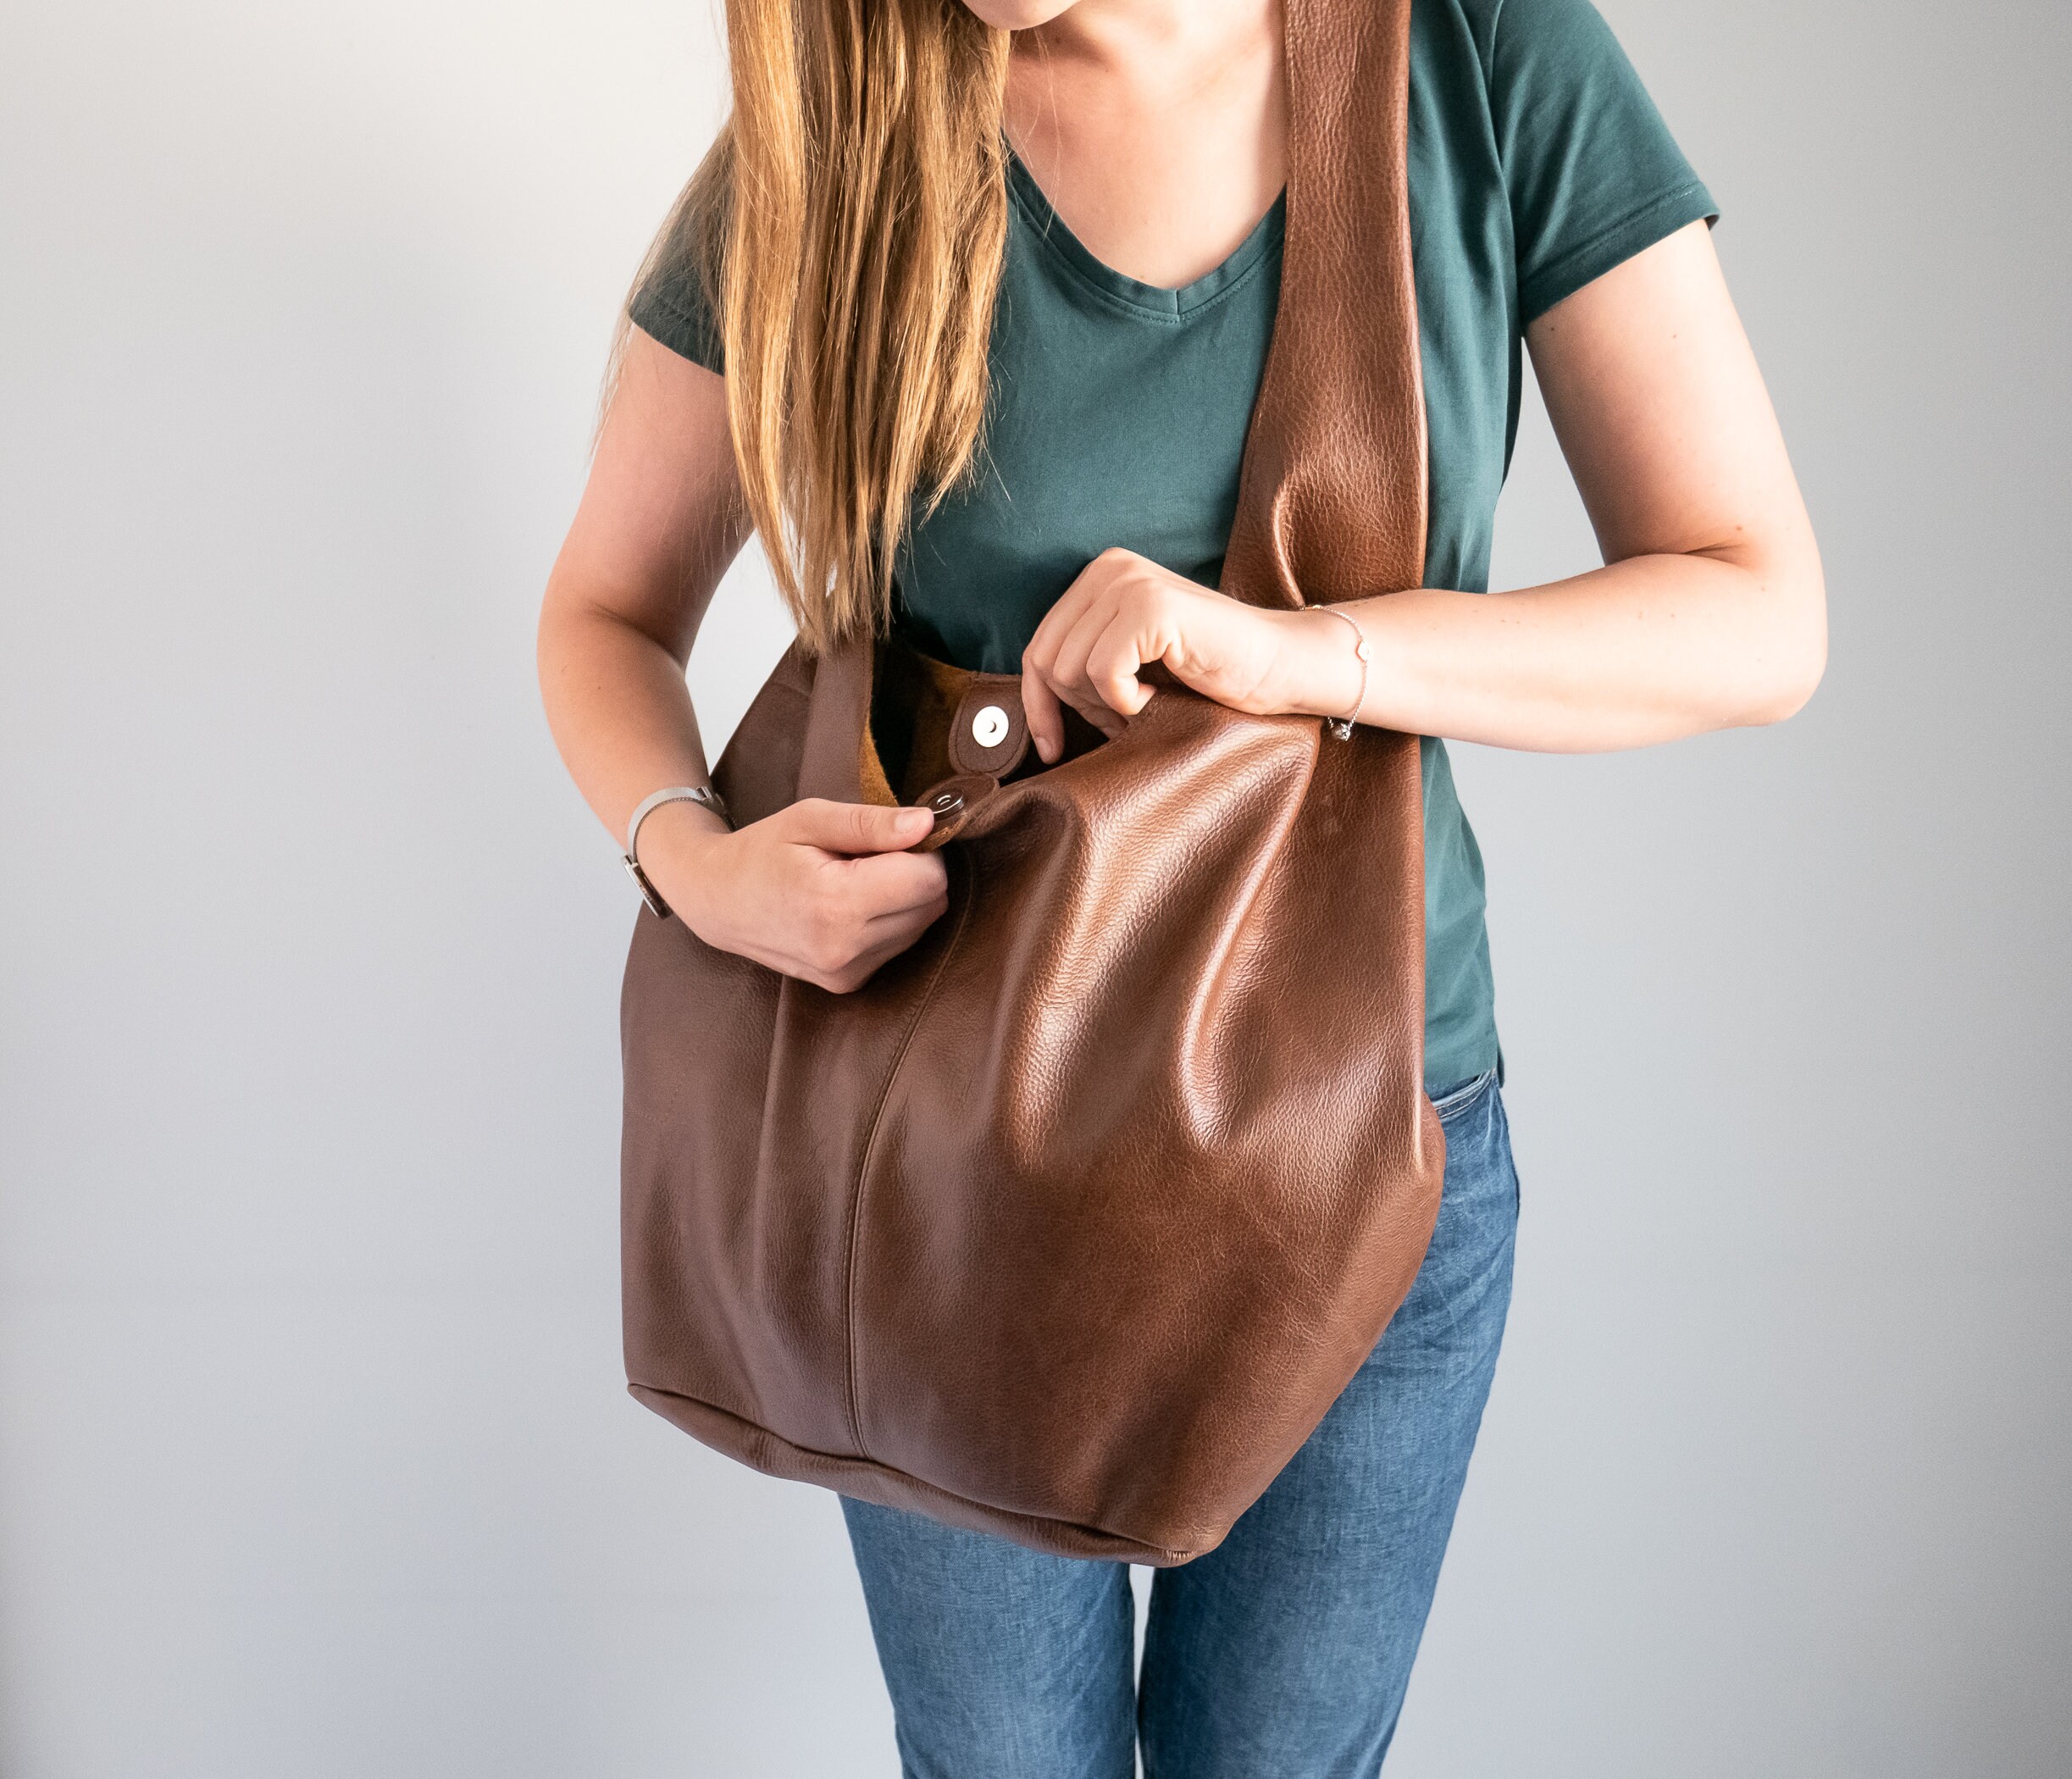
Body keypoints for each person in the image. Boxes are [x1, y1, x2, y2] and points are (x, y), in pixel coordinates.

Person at [537, 0, 1825, 1768]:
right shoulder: (850, 112)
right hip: (951, 1158)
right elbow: (604, 608)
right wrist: (695, 867)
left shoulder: (1479, 54)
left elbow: (1752, 613)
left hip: (1364, 1156)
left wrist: (1298, 657)